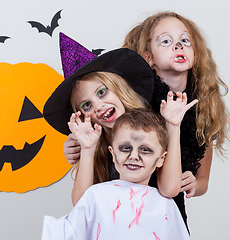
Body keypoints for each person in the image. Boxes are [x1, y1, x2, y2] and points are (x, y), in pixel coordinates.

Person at [43, 33, 196, 208]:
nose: (99, 106)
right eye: (87, 105)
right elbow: (81, 205)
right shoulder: (95, 142)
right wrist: (87, 150)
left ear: (119, 88)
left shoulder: (152, 127)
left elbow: (170, 189)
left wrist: (173, 126)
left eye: (101, 92)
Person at [122, 11, 229, 227]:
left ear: (195, 53)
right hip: (128, 211)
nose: (178, 45)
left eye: (185, 40)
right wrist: (75, 145)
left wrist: (196, 184)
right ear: (148, 58)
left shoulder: (203, 105)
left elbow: (202, 179)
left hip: (171, 215)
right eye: (166, 41)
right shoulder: (134, 101)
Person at [41, 109, 190, 240]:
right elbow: (72, 231)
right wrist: (87, 150)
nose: (134, 156)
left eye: (145, 150)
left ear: (161, 159)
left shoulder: (164, 205)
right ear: (113, 154)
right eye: (125, 148)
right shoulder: (96, 194)